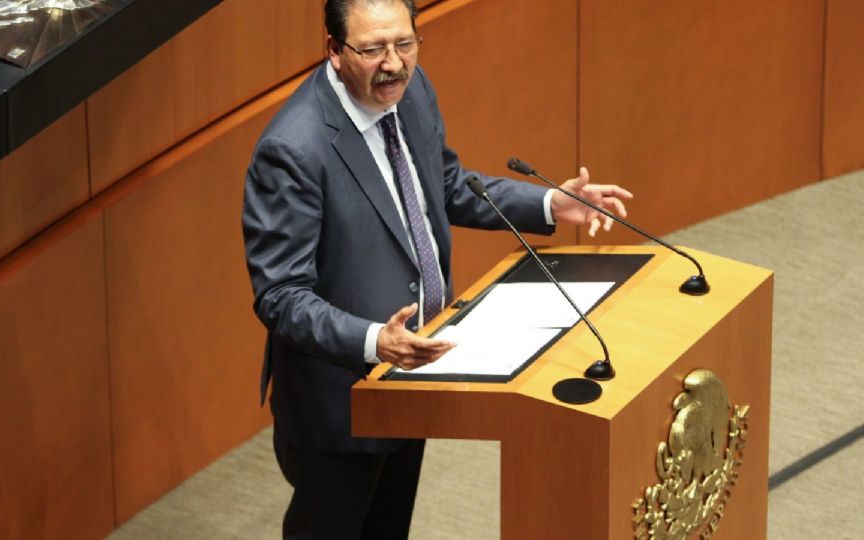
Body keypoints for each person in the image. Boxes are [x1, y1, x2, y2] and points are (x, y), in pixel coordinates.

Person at [241, 0, 632, 537]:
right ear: (334, 50)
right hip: (342, 400)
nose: (394, 63)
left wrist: (548, 205)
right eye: (373, 48)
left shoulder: (411, 90)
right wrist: (376, 340)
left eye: (405, 43)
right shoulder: (293, 149)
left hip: (414, 371)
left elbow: (444, 186)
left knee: (388, 527)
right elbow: (281, 296)